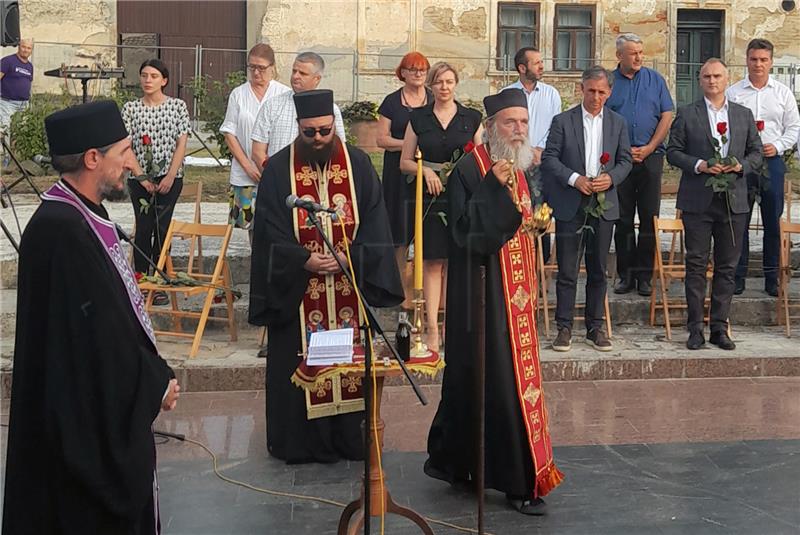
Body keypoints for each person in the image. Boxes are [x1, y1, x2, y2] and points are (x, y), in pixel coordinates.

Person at [2, 100, 180, 533]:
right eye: (124, 152)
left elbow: (108, 316)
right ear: (92, 158)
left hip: (85, 408)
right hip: (77, 429)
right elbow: (94, 336)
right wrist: (154, 384)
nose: (132, 164)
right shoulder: (61, 229)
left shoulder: (78, 214)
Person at [425, 89, 563, 515]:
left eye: (523, 123)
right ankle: (517, 481)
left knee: (505, 384)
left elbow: (517, 223)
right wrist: (490, 187)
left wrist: (538, 231)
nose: (519, 130)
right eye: (510, 123)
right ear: (491, 128)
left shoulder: (520, 168)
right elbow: (466, 234)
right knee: (495, 386)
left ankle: (469, 465)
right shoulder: (471, 169)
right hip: (482, 299)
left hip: (515, 298)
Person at [248, 89, 403, 463]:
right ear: (298, 128)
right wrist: (304, 259)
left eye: (324, 131)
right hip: (299, 290)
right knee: (299, 362)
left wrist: (350, 259)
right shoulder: (278, 168)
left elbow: (376, 221)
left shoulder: (359, 164)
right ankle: (300, 443)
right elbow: (268, 228)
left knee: (349, 362)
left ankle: (350, 440)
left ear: (334, 125)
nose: (318, 139)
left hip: (349, 283)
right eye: (309, 133)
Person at [666, 59, 763, 351]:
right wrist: (699, 165)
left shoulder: (743, 115)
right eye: (706, 76)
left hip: (734, 200)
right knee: (695, 265)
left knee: (727, 267)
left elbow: (756, 152)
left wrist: (739, 166)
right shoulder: (687, 114)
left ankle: (720, 328)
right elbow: (673, 152)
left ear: (727, 78)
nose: (712, 81)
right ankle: (695, 328)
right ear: (700, 80)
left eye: (717, 76)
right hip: (698, 200)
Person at [541, 65, 632, 353]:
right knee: (567, 269)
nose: (595, 97)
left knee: (598, 269)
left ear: (609, 93)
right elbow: (550, 158)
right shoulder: (562, 121)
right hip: (572, 202)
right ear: (581, 89)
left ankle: (595, 326)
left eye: (601, 92)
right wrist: (574, 178)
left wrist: (612, 178)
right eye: (591, 90)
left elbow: (626, 161)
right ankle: (564, 327)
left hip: (603, 205)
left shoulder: (618, 123)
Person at [399, 62, 483, 351]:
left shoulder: (472, 118)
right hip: (430, 197)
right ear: (431, 86)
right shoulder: (418, 119)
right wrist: (426, 171)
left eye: (449, 82)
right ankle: (431, 327)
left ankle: (452, 327)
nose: (444, 87)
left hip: (462, 198)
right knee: (433, 262)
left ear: (456, 84)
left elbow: (480, 159)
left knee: (457, 262)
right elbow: (405, 161)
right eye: (439, 82)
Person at [728, 39, 800, 297]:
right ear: (746, 60)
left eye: (763, 59)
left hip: (771, 161)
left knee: (772, 221)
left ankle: (772, 278)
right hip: (743, 163)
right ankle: (738, 276)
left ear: (770, 61)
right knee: (739, 220)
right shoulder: (734, 92)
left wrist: (778, 145)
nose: (758, 64)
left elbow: (793, 128)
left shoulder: (782, 93)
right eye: (753, 59)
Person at [607, 33, 674, 297]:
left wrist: (649, 147)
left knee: (649, 217)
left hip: (651, 156)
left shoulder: (655, 80)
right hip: (620, 159)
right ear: (619, 55)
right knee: (622, 219)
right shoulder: (609, 82)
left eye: (640, 52)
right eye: (633, 52)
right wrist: (622, 151)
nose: (638, 57)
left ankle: (645, 276)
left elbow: (667, 114)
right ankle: (626, 275)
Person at [122, 59, 190, 305]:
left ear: (164, 80)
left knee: (162, 229)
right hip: (140, 178)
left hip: (170, 177)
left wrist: (171, 175)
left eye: (153, 76)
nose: (148, 80)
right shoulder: (131, 108)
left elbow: (181, 143)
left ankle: (159, 281)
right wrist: (141, 176)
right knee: (144, 228)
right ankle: (141, 280)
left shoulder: (177, 106)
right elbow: (125, 146)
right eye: (144, 75)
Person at [376, 51, 432, 309]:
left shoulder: (433, 99)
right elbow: (381, 139)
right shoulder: (391, 102)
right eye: (413, 69)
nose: (418, 73)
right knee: (399, 231)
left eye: (422, 69)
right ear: (403, 73)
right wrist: (409, 145)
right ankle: (398, 291)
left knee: (425, 229)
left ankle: (422, 290)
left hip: (427, 171)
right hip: (398, 173)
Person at [220, 43, 290, 238]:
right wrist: (248, 167)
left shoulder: (284, 94)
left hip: (277, 172)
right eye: (252, 67)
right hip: (246, 173)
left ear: (272, 68)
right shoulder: (239, 94)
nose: (256, 72)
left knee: (278, 227)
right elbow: (229, 132)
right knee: (252, 230)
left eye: (261, 68)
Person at [502, 46, 562, 263]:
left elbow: (555, 127)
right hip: (515, 161)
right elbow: (503, 128)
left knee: (539, 213)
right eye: (536, 63)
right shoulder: (507, 94)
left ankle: (539, 266)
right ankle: (515, 262)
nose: (542, 66)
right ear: (521, 67)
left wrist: (540, 150)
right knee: (515, 211)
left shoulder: (551, 94)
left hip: (540, 161)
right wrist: (522, 151)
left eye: (541, 62)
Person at [251, 52, 346, 170]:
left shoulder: (331, 109)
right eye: (294, 71)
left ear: (317, 79)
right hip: (278, 178)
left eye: (302, 73)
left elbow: (339, 149)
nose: (296, 76)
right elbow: (257, 152)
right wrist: (273, 178)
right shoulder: (272, 106)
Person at [0, 38, 34, 134]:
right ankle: (2, 149)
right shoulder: (7, 61)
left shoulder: (30, 66)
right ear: (19, 47)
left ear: (31, 51)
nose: (25, 50)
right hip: (7, 103)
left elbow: (28, 82)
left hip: (23, 104)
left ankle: (15, 149)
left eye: (29, 48)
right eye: (23, 47)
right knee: (4, 130)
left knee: (22, 132)